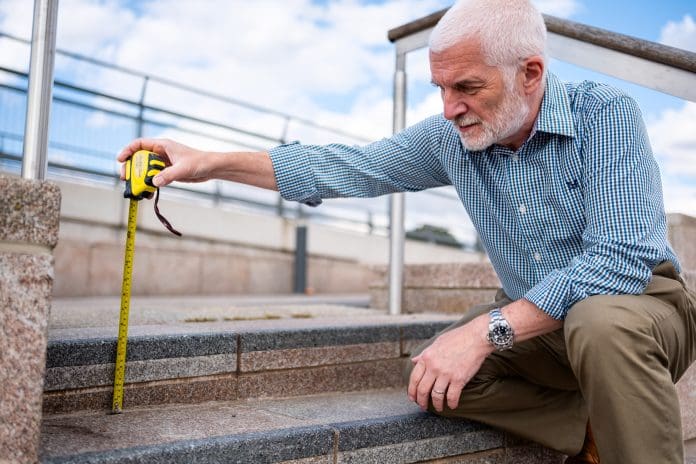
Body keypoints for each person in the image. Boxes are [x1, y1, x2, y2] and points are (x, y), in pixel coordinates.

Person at [117, 0, 696, 462]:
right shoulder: (451, 139)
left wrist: (484, 332)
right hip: (541, 329)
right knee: (434, 379)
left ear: (530, 73)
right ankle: (592, 422)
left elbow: (619, 260)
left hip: (640, 312)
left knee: (596, 321)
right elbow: (349, 166)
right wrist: (209, 162)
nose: (449, 108)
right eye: (440, 88)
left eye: (467, 87)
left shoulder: (606, 115)